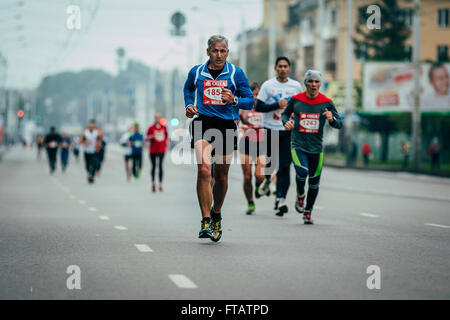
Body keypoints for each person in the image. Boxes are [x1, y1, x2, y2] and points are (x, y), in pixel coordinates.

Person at [184, 34, 254, 242]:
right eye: (215, 50)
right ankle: (205, 220)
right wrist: (189, 105)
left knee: (221, 176)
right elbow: (188, 89)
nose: (219, 55)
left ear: (227, 53)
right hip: (203, 123)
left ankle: (216, 213)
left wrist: (234, 100)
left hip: (225, 126)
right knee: (204, 169)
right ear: (208, 52)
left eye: (223, 51)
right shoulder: (197, 72)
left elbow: (249, 101)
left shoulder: (236, 73)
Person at [282, 69, 343, 224]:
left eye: (317, 82)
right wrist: (286, 122)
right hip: (298, 145)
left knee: (314, 182)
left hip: (316, 148)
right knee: (302, 172)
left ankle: (308, 211)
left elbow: (339, 123)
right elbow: (285, 114)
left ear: (320, 84)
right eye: (310, 81)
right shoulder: (296, 100)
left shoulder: (326, 102)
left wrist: (331, 119)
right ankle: (300, 194)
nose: (313, 84)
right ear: (306, 83)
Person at [255, 56, 303, 216]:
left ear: (289, 68)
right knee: (270, 164)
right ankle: (268, 180)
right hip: (270, 128)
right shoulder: (268, 85)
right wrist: (277, 105)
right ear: (275, 68)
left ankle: (280, 200)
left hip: (288, 130)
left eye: (285, 66)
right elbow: (259, 106)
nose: (282, 69)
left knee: (285, 167)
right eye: (280, 66)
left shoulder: (295, 86)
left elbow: (300, 107)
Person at [238, 82, 266, 215]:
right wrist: (241, 127)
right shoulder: (243, 108)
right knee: (247, 176)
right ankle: (250, 202)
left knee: (260, 175)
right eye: (253, 95)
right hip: (246, 143)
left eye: (257, 95)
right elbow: (234, 121)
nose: (255, 97)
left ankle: (258, 186)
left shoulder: (265, 108)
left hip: (261, 143)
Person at [146, 113, 169, 192]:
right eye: (156, 118)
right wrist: (151, 137)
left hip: (161, 150)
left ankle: (160, 184)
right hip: (152, 150)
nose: (157, 119)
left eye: (158, 118)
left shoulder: (164, 127)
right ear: (154, 118)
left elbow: (166, 137)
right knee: (153, 166)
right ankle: (153, 183)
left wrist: (165, 143)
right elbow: (146, 137)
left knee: (160, 166)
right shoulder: (151, 128)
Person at [80, 119, 102, 184]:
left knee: (93, 164)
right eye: (90, 125)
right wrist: (85, 142)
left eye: (92, 125)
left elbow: (100, 140)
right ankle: (89, 174)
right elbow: (80, 141)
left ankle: (91, 176)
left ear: (94, 125)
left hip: (94, 151)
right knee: (87, 166)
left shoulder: (97, 132)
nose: (91, 126)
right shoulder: (85, 132)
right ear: (88, 125)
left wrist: (98, 144)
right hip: (86, 151)